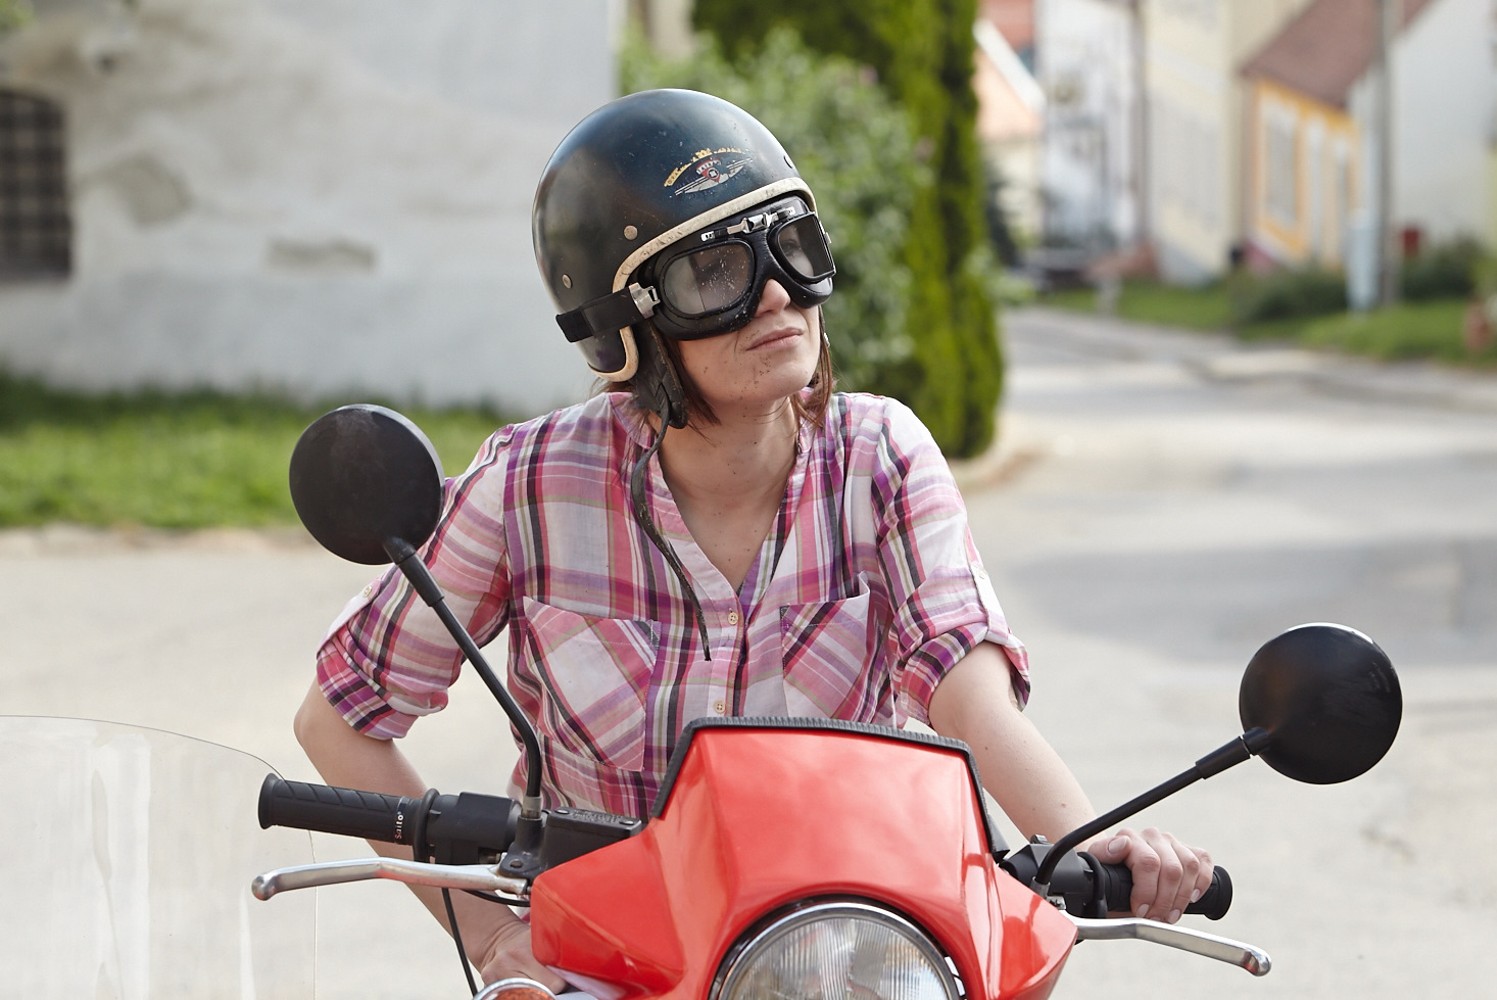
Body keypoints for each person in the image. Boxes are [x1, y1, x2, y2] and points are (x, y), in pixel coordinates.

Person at [294, 88, 1212, 991]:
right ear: (629, 327)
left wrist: (1094, 843)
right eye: (718, 272)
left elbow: (970, 694)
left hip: (847, 958)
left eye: (794, 249)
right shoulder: (530, 482)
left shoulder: (880, 457)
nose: (778, 293)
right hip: (608, 964)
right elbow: (338, 717)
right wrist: (493, 938)